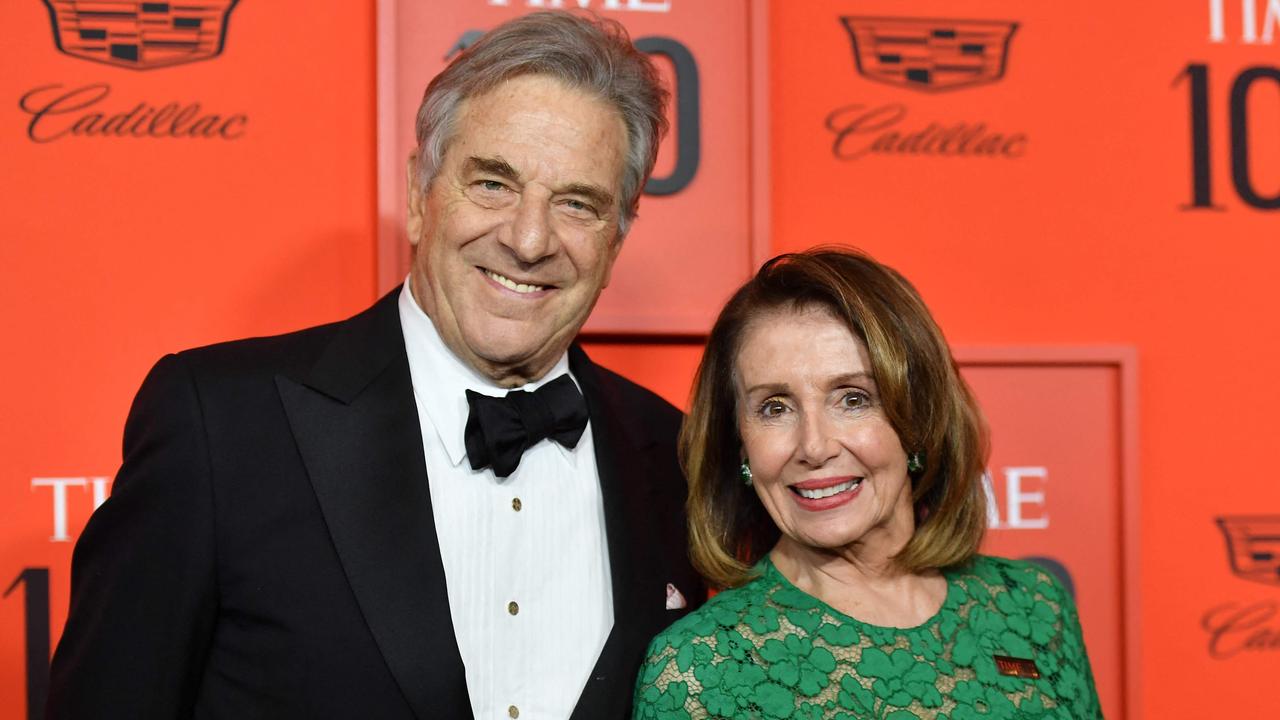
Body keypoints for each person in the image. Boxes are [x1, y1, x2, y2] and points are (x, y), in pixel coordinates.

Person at [48, 12, 704, 720]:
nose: (529, 237)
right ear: (420, 198)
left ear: (617, 240)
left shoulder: (675, 459)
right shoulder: (223, 426)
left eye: (577, 203)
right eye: (492, 184)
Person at [633, 248, 1102, 719]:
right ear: (740, 445)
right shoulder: (701, 669)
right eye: (775, 407)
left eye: (853, 399)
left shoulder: (1033, 607)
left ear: (918, 419)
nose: (814, 447)